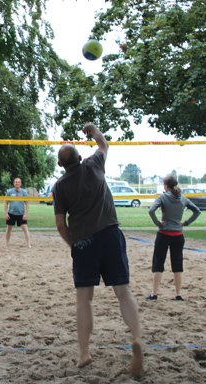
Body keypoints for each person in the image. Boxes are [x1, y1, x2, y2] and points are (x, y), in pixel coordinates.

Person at [53, 123, 143, 375]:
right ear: (80, 158)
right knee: (123, 291)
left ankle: (84, 354)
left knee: (84, 299)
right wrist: (93, 130)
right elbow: (103, 144)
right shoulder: (93, 164)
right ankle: (136, 338)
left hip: (84, 242)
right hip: (111, 234)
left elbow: (60, 224)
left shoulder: (59, 187)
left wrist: (74, 245)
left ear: (61, 165)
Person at [146, 175, 201, 301]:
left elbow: (151, 210)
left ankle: (154, 294)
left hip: (164, 234)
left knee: (158, 264)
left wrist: (158, 223)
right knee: (177, 265)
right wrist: (185, 223)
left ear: (165, 185)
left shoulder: (163, 197)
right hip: (178, 235)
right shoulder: (182, 198)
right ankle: (178, 294)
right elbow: (197, 211)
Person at [4, 177, 31, 248]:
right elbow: (6, 203)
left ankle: (28, 244)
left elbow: (27, 204)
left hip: (21, 214)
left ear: (21, 183)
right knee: (9, 228)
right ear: (13, 183)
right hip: (11, 213)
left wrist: (25, 214)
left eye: (18, 182)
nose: (17, 183)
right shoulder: (10, 192)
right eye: (16, 182)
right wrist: (6, 213)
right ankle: (6, 243)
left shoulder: (24, 192)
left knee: (24, 227)